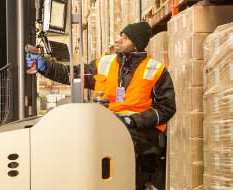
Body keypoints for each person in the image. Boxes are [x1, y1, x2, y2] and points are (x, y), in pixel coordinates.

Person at [27, 22, 176, 157]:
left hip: (143, 133)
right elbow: (73, 74)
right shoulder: (105, 63)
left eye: (125, 38)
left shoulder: (156, 70)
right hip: (109, 125)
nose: (118, 40)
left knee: (104, 144)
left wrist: (132, 120)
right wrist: (45, 67)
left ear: (136, 45)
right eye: (120, 35)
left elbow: (166, 109)